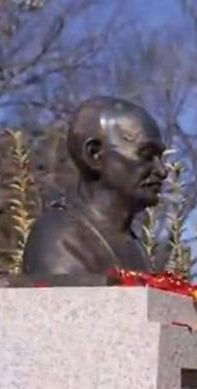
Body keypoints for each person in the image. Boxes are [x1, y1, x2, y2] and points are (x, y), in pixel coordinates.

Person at [22, 96, 168, 275]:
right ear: (94, 155)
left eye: (160, 157)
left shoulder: (134, 246)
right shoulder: (58, 239)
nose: (162, 171)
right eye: (146, 155)